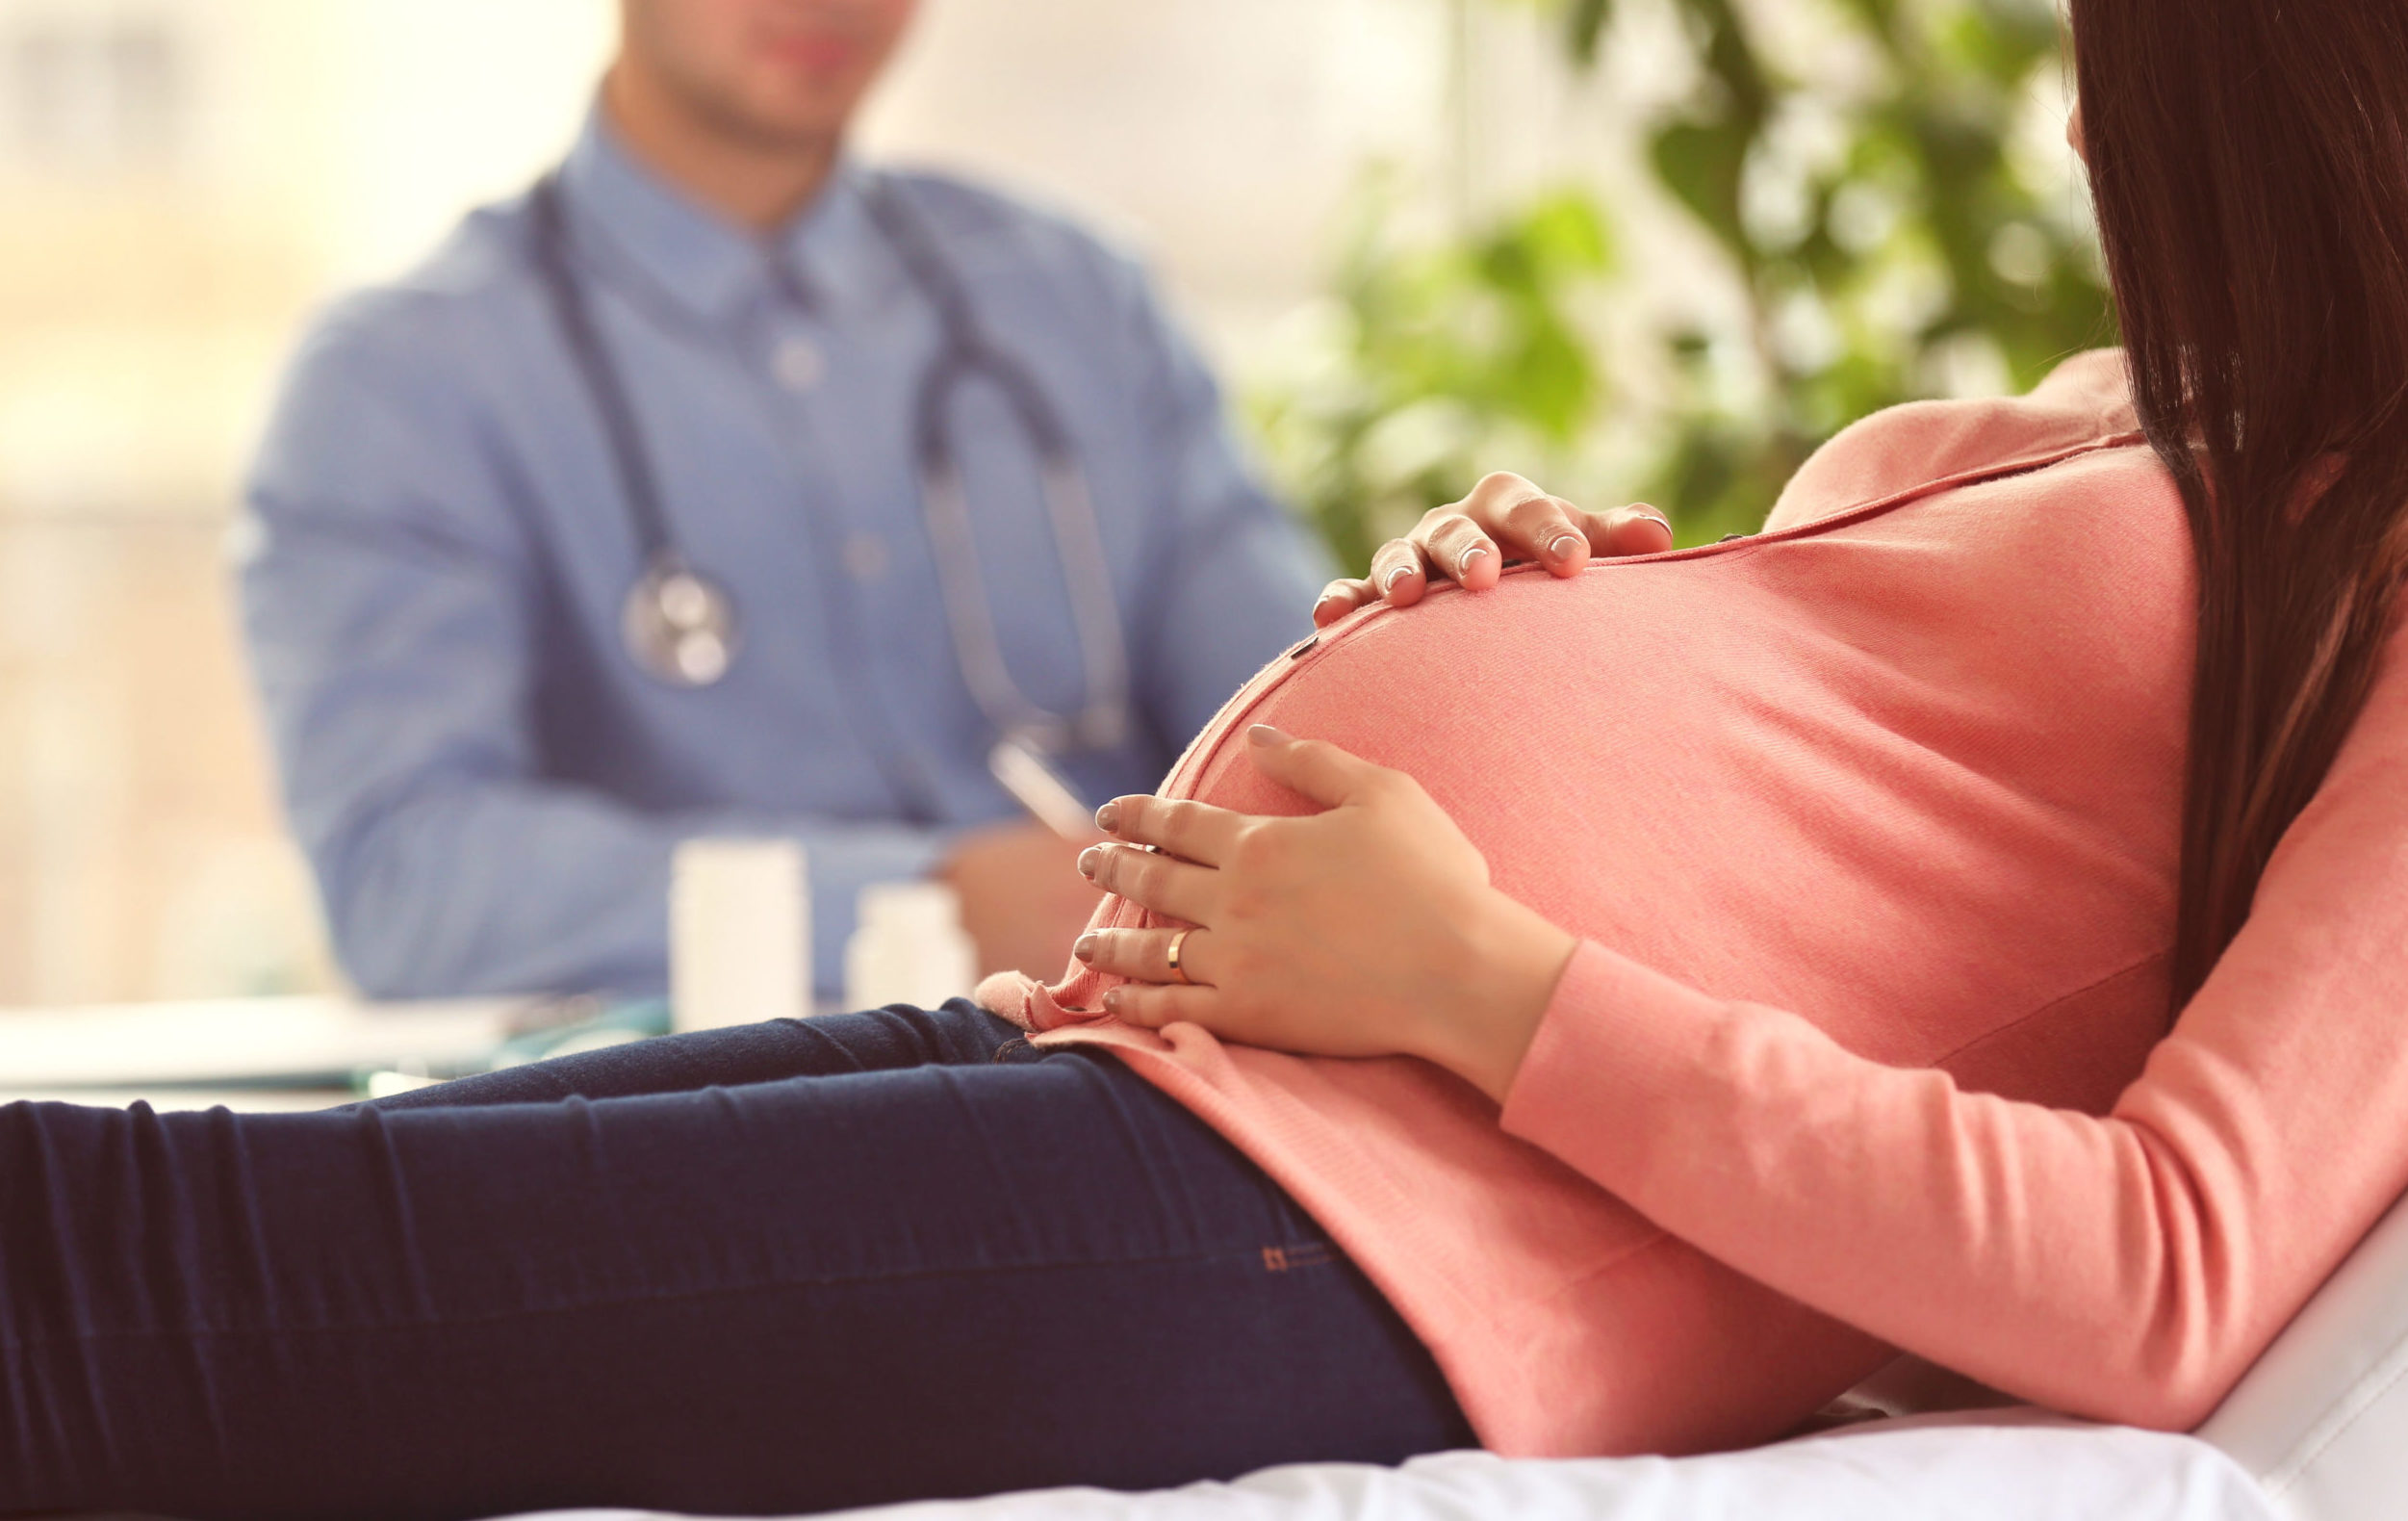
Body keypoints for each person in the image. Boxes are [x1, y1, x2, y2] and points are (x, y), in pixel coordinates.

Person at [8, 0, 2406, 1514]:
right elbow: (1853, 821)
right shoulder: (2114, 423)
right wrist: (1554, 586)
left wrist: (1480, 974)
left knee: (163, 1292)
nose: (2081, 112)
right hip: (1172, 1063)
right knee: (149, 1227)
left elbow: (2161, 1269)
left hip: (1362, 1208)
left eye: (2120, 53)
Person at [239, 0, 1340, 997]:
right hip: (713, 1147)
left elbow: (1318, 735)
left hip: (1154, 1086)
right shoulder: (402, 382)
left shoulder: (1083, 302)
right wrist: (928, 896)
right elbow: (406, 877)